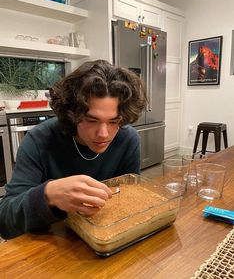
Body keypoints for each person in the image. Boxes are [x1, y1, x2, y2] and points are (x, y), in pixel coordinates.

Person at [0, 59, 146, 239]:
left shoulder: (127, 139)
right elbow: (5, 221)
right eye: (91, 120)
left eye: (114, 122)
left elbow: (132, 201)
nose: (103, 133)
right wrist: (48, 195)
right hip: (53, 247)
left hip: (108, 239)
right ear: (72, 113)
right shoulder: (39, 140)